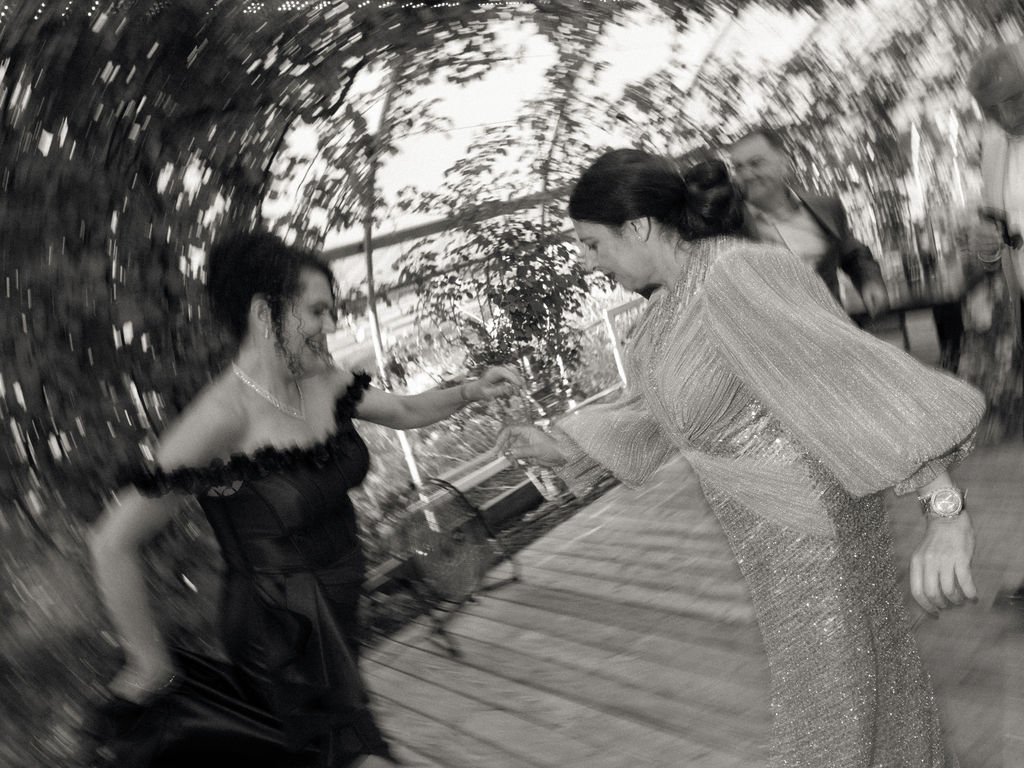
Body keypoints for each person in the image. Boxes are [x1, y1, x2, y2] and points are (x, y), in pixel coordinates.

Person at [497, 149, 985, 767]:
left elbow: (852, 378)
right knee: (874, 687)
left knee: (829, 710)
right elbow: (658, 411)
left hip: (812, 533)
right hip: (769, 535)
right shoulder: (669, 308)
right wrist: (561, 444)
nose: (589, 262)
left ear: (638, 226)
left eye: (592, 244)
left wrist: (945, 511)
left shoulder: (739, 272)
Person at [87, 231, 521, 767]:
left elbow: (406, 411)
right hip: (277, 637)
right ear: (263, 312)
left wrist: (471, 390)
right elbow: (111, 542)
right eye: (317, 311)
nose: (331, 325)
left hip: (336, 618)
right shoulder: (221, 417)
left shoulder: (322, 381)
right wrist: (147, 662)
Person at [727, 127, 890, 319]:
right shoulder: (727, 225)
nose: (746, 175)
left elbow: (852, 252)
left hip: (831, 329)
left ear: (783, 163)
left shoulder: (826, 208)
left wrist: (869, 281)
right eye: (738, 167)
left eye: (756, 163)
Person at [958, 40, 1024, 446]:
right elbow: (995, 225)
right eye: (991, 109)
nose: (1007, 117)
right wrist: (985, 243)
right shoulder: (994, 144)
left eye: (1015, 99)